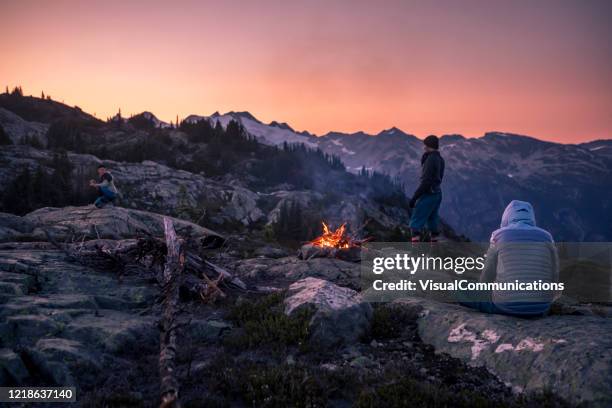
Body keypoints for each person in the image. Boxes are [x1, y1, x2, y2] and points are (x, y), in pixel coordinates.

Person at [460, 200, 560, 317]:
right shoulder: (547, 237)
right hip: (541, 308)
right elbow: (554, 274)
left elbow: (487, 276)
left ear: (507, 217)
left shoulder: (498, 235)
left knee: (459, 288)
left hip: (505, 307)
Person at [408, 135, 445, 242]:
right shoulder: (440, 159)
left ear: (429, 145)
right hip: (437, 194)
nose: (424, 147)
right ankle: (434, 251)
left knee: (415, 223)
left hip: (429, 194)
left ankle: (416, 254)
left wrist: (414, 198)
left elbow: (426, 181)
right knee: (432, 221)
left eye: (425, 145)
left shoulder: (430, 159)